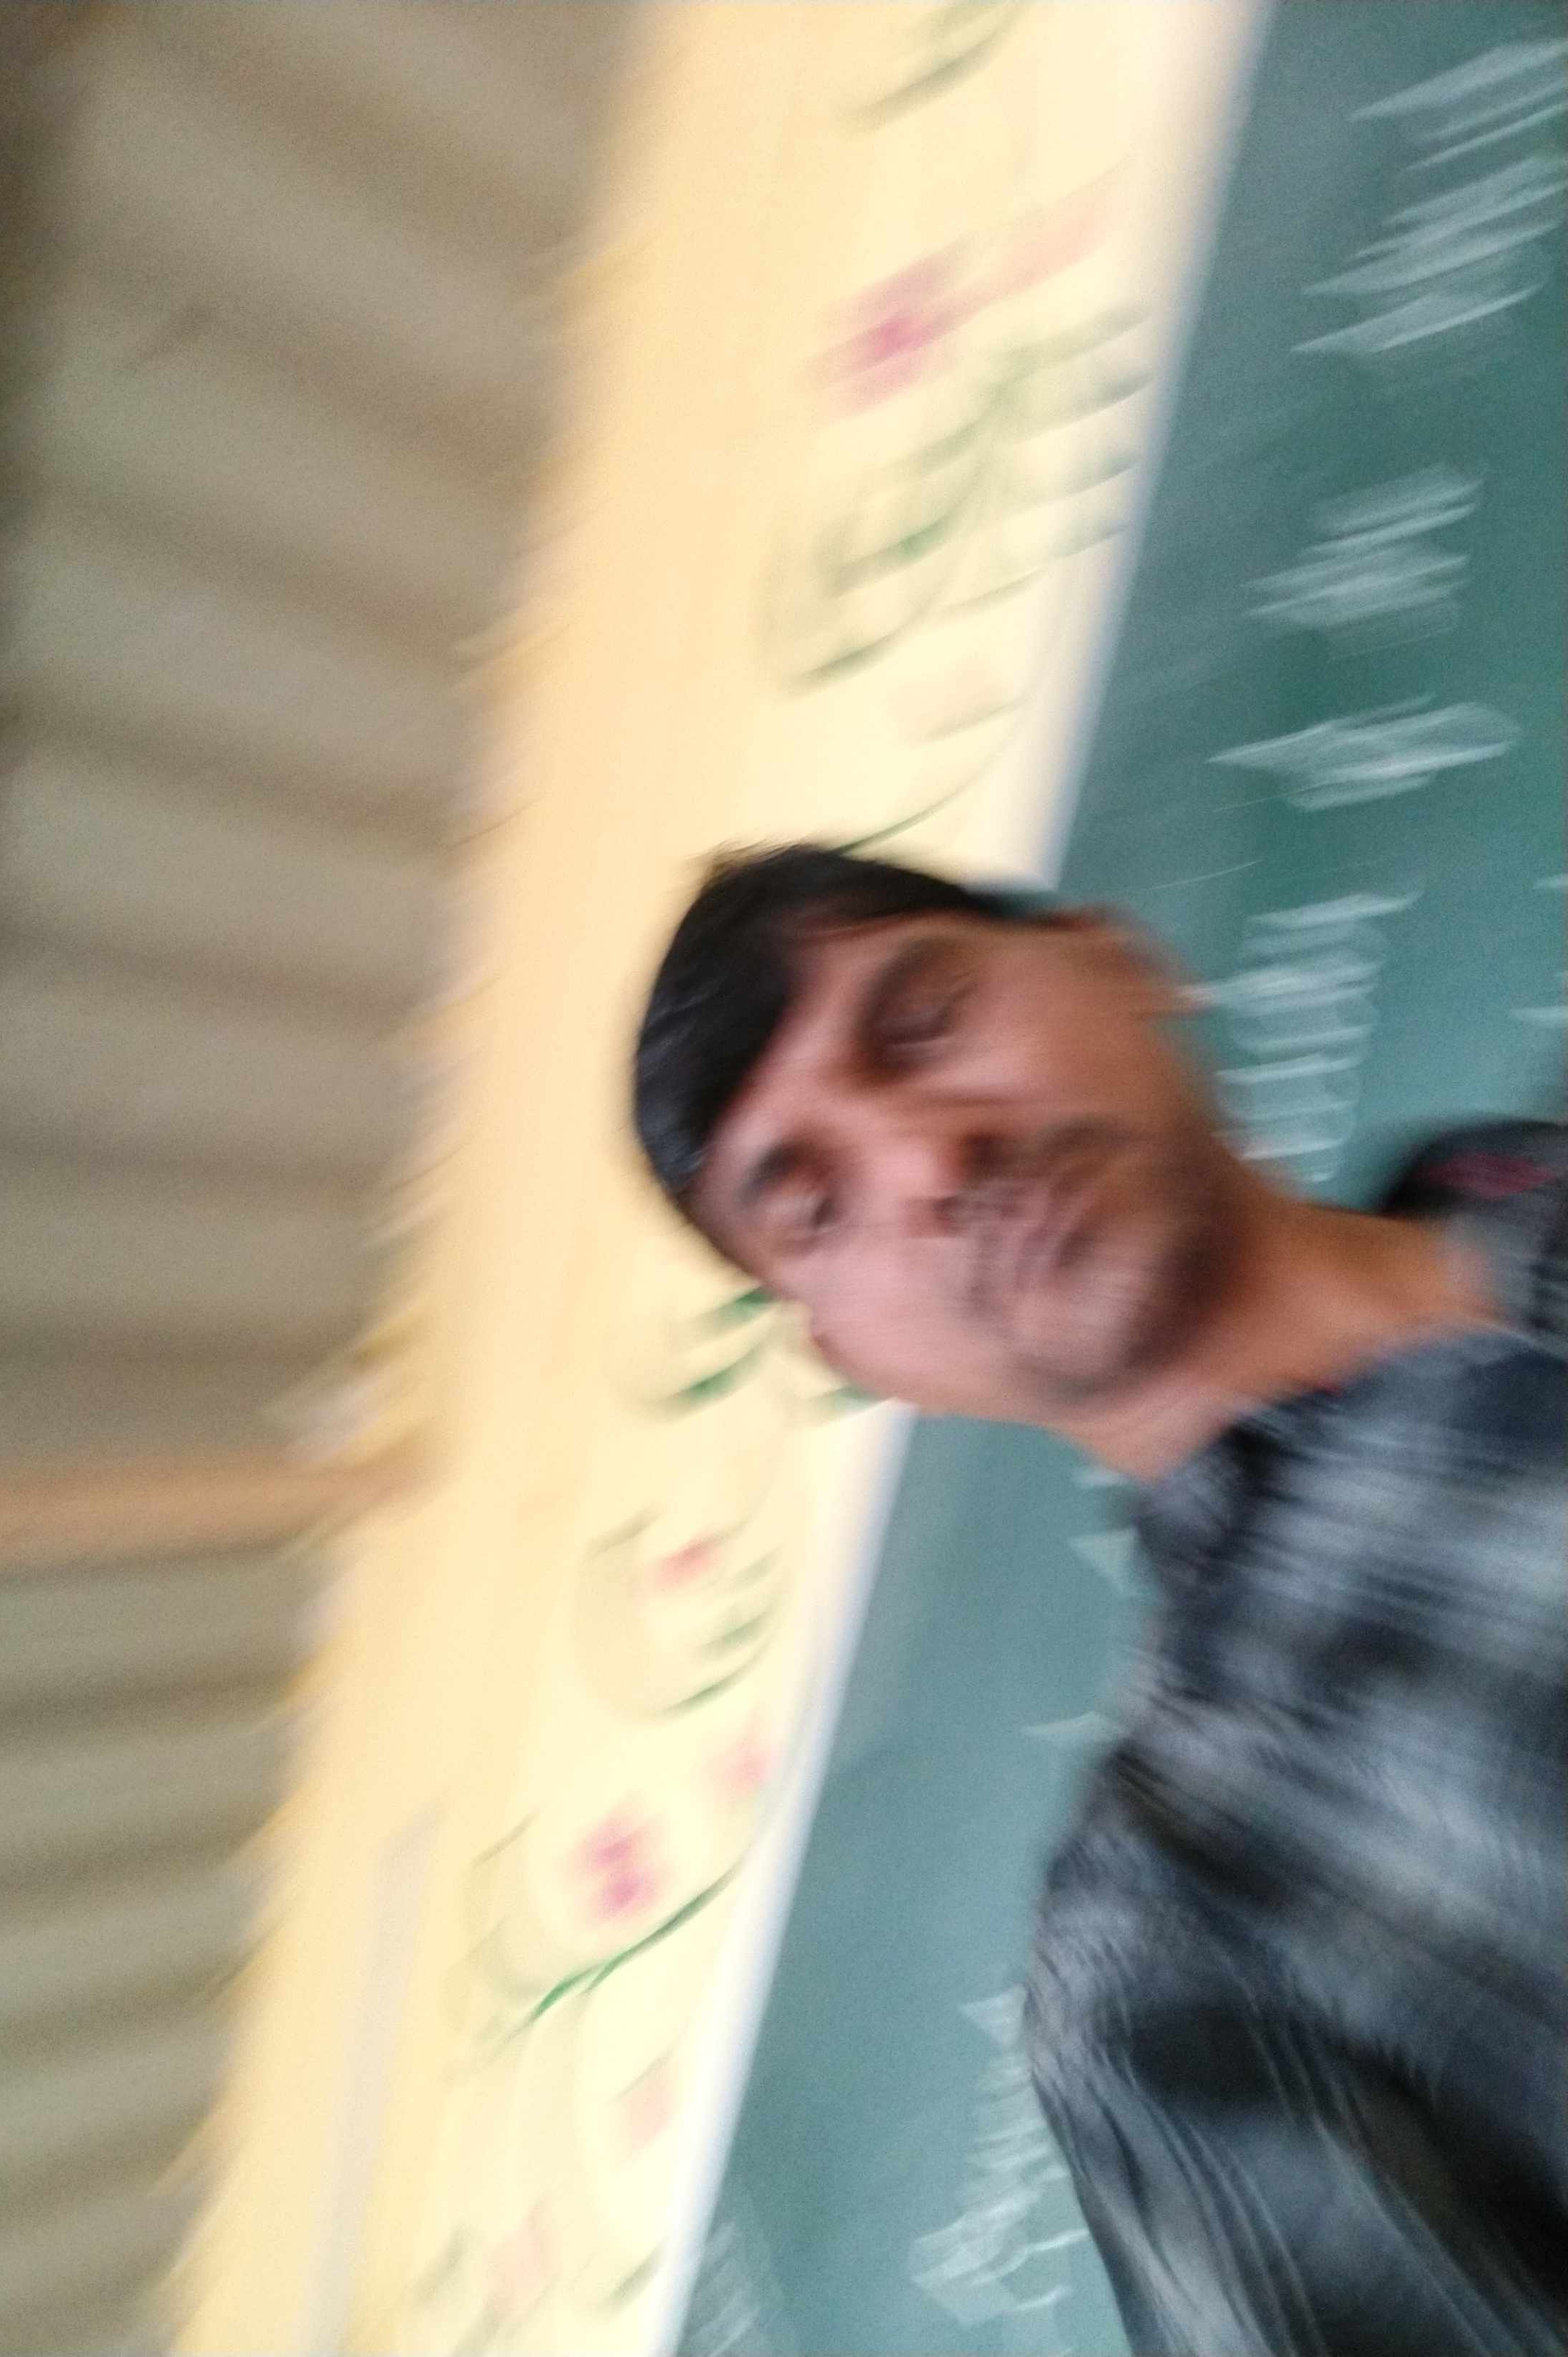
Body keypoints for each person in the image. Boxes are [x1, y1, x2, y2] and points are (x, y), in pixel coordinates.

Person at [631, 843, 1567, 2357]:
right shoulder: (1177, 1948)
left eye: (925, 1021)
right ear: (858, 1361)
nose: (931, 1165)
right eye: (817, 1209)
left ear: (1120, 958)